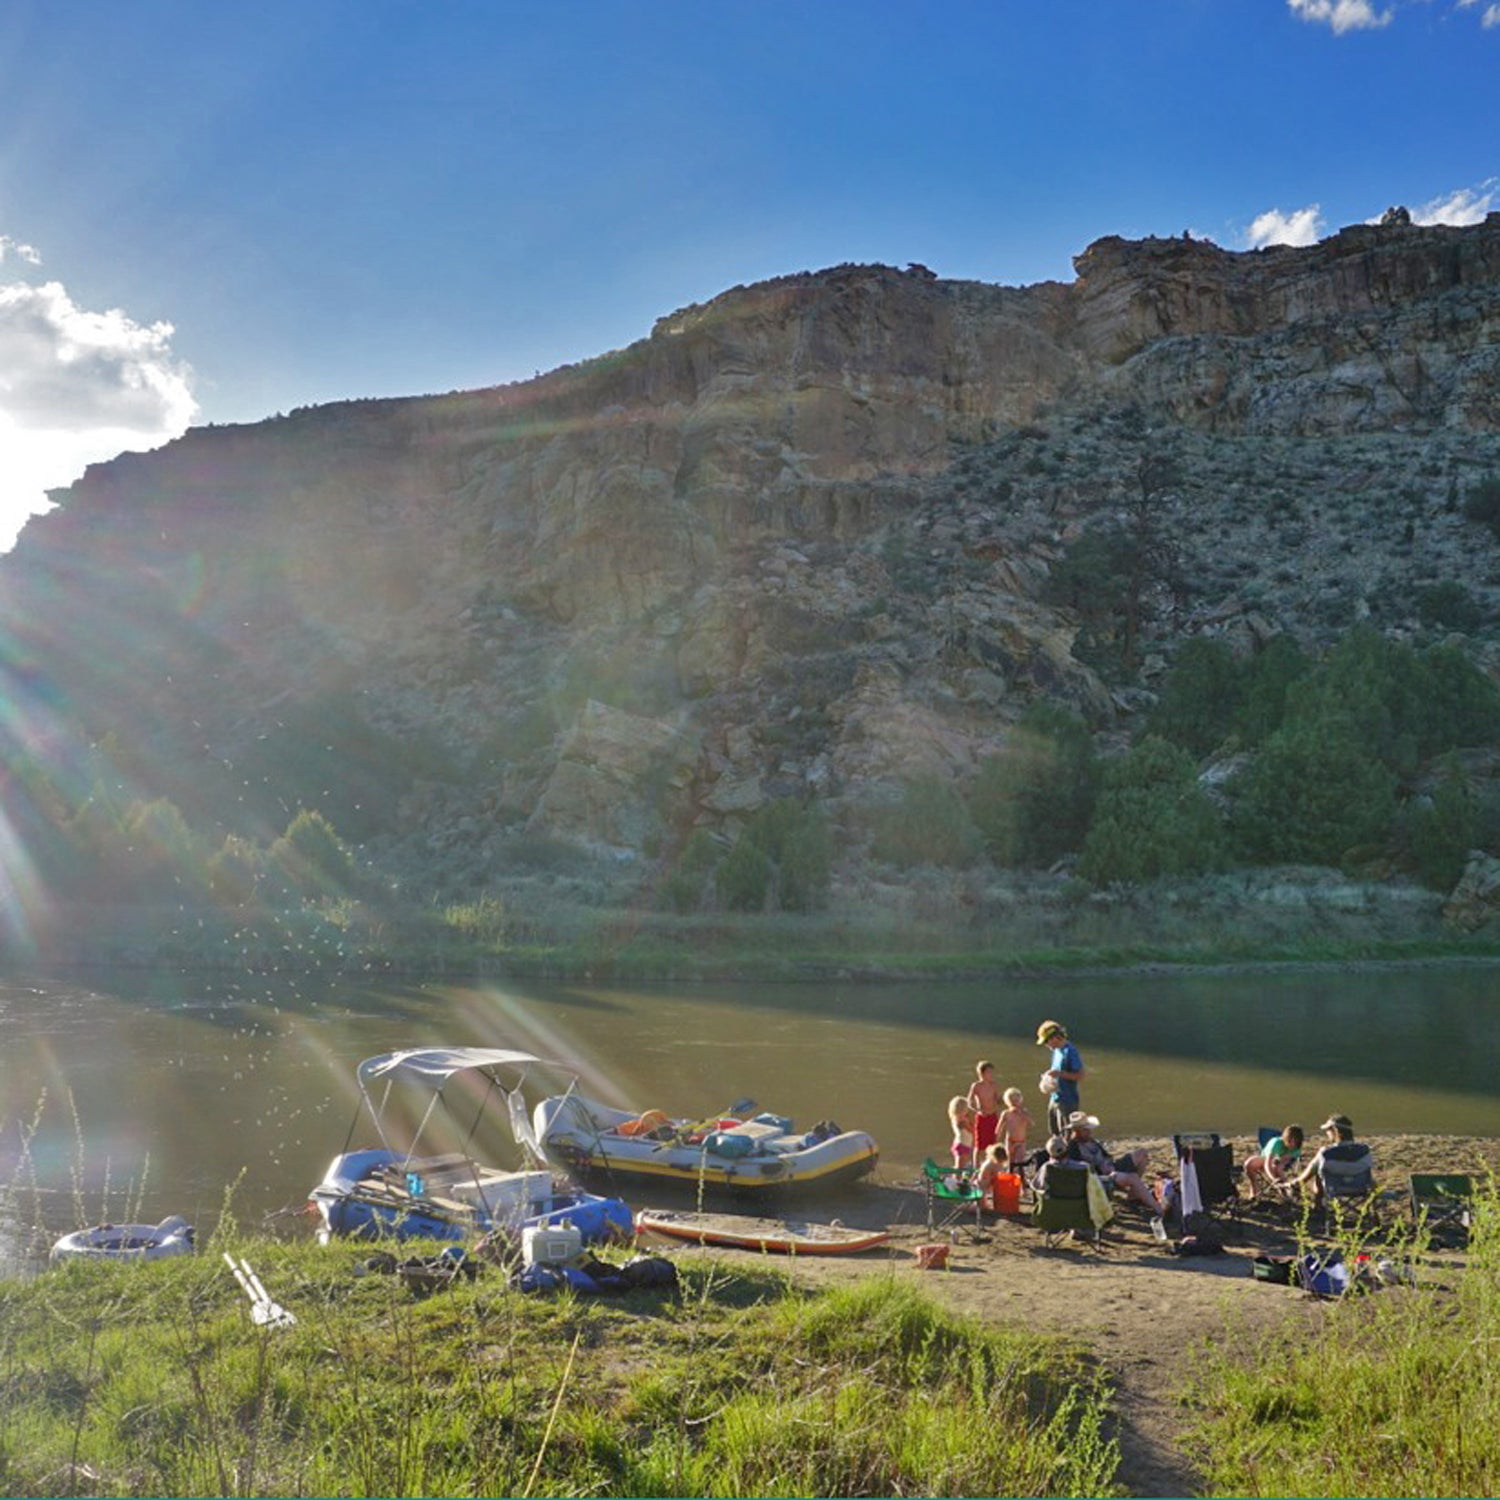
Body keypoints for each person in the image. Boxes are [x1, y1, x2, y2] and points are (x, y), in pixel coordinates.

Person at [1064, 1111, 1158, 1211]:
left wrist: (1108, 1163)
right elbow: (1082, 1170)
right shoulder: (1073, 1147)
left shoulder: (1090, 1140)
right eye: (1086, 1130)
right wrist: (1104, 1171)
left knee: (1142, 1153)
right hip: (1103, 1177)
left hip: (1111, 1167)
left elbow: (1107, 1155)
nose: (1089, 1132)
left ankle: (1133, 1194)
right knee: (1133, 1177)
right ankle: (1158, 1209)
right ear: (1077, 1131)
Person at [1284, 1113, 1369, 1205]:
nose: (1326, 1133)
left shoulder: (1326, 1153)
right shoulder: (1364, 1150)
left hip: (1334, 1189)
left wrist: (1295, 1183)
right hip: (1360, 1188)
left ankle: (1317, 1206)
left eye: (1328, 1130)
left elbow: (1307, 1175)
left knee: (1318, 1172)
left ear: (1335, 1130)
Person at [1035, 1019, 1085, 1137]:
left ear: (1055, 1038)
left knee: (1067, 1133)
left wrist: (1060, 1074)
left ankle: (1068, 1154)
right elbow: (1056, 1072)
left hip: (1068, 1100)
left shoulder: (1070, 1051)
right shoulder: (1056, 1051)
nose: (1046, 1045)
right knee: (1054, 1131)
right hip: (1055, 1098)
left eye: (1047, 1042)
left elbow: (1080, 1075)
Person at [1243, 1123, 1305, 1198]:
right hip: (1265, 1158)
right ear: (1285, 1138)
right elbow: (1267, 1164)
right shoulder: (1276, 1143)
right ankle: (1255, 1188)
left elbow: (1281, 1164)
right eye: (1290, 1141)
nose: (1292, 1145)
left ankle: (1285, 1192)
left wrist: (1281, 1178)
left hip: (1278, 1163)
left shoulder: (1296, 1149)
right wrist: (1273, 1179)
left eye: (1295, 1142)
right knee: (1249, 1164)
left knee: (1277, 1168)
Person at [967, 1060, 1002, 1157]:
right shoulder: (976, 1086)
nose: (991, 1074)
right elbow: (969, 1102)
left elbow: (999, 1099)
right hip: (981, 1117)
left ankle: (991, 1164)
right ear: (981, 1074)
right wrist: (978, 1110)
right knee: (979, 1144)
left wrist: (1005, 1100)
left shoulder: (994, 1085)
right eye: (989, 1072)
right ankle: (976, 1167)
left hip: (993, 1115)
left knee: (994, 1142)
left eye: (992, 1072)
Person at [996, 1086, 1033, 1174]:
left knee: (1020, 1162)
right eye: (1012, 1102)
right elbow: (999, 1127)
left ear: (1020, 1101)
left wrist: (1022, 1115)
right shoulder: (1006, 1113)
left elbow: (1031, 1123)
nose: (1015, 1104)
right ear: (1008, 1102)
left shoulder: (1024, 1112)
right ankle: (1010, 1177)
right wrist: (997, 1137)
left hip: (1021, 1141)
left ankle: (1022, 1180)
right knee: (1010, 1161)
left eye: (1016, 1101)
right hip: (1010, 1141)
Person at [948, 1095, 975, 1171]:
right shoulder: (962, 1122)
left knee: (961, 1165)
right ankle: (956, 1179)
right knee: (960, 1167)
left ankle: (957, 1177)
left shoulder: (954, 1118)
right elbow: (973, 1131)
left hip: (961, 1143)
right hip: (963, 1145)